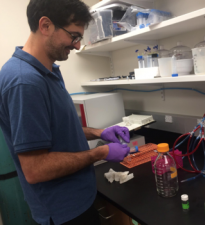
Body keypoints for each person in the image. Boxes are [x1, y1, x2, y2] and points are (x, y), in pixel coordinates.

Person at [0, 0, 131, 224]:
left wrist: (100, 133)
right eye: (74, 36)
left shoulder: (48, 71)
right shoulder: (25, 82)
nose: (77, 45)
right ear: (46, 26)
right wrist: (100, 153)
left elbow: (58, 130)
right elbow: (35, 169)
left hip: (78, 199)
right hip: (64, 212)